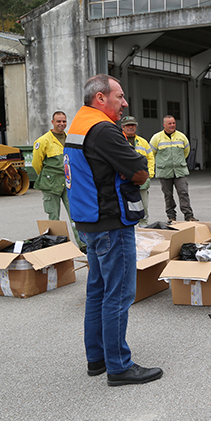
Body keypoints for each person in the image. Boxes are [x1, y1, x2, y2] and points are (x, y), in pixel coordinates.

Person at [64, 74, 162, 387]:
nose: (125, 103)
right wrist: (135, 168)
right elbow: (138, 170)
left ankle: (97, 359)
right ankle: (119, 366)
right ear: (101, 98)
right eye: (119, 96)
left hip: (89, 223)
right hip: (111, 223)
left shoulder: (78, 125)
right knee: (118, 295)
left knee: (97, 292)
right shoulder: (104, 129)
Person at [31, 111, 86, 250]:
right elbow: (37, 164)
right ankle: (57, 247)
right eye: (58, 121)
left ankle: (83, 244)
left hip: (68, 183)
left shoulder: (70, 139)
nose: (61, 124)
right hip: (51, 184)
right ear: (52, 122)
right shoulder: (43, 141)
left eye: (64, 121)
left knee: (75, 214)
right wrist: (47, 177)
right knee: (53, 216)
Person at [149, 115, 196, 223]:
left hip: (180, 171)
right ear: (164, 125)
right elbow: (151, 154)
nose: (172, 125)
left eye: (174, 123)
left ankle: (189, 216)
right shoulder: (156, 138)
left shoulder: (181, 137)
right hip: (164, 171)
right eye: (169, 123)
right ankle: (171, 217)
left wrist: (178, 162)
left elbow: (186, 151)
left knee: (183, 192)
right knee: (168, 195)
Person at [121, 116, 154, 225]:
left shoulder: (142, 142)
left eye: (133, 125)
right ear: (122, 127)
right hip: (124, 181)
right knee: (125, 207)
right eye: (128, 125)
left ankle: (144, 228)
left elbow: (150, 158)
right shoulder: (119, 140)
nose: (130, 127)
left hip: (142, 181)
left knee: (143, 207)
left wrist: (149, 174)